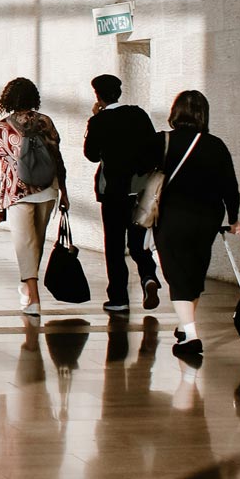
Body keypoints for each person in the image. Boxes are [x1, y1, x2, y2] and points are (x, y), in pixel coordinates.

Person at [150, 90, 240, 360]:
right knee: (193, 274)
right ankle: (184, 325)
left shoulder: (162, 141)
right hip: (206, 220)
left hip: (171, 218)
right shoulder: (215, 145)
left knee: (177, 276)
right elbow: (230, 186)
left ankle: (191, 336)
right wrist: (233, 218)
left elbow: (140, 172)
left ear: (175, 112)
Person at [0, 77, 65, 320]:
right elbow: (58, 159)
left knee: (25, 244)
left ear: (8, 99)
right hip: (48, 190)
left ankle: (33, 298)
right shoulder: (45, 122)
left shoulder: (3, 126)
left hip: (17, 191)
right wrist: (65, 193)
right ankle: (29, 288)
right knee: (35, 243)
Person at [84, 74, 161, 317]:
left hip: (113, 193)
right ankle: (148, 276)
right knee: (137, 242)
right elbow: (153, 147)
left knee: (114, 246)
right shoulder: (138, 114)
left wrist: (95, 120)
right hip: (139, 189)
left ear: (98, 96)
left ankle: (118, 298)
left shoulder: (99, 121)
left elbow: (92, 155)